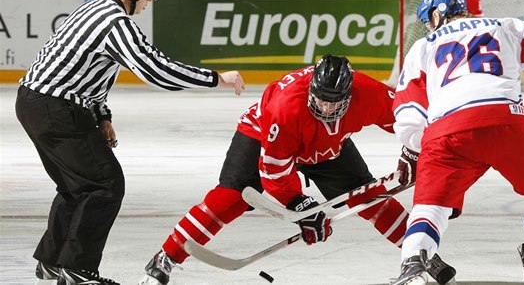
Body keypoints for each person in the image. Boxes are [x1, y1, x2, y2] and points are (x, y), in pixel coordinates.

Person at [16, 0, 245, 285]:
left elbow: (88, 72)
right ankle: (77, 270)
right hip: (55, 107)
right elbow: (155, 70)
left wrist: (101, 115)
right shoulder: (115, 22)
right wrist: (215, 78)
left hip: (37, 101)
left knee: (76, 186)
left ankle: (52, 261)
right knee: (104, 185)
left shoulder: (93, 7)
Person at [139, 55, 456, 285]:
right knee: (230, 197)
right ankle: (165, 258)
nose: (328, 108)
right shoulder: (286, 107)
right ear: (311, 88)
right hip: (264, 133)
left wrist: (425, 156)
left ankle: (419, 254)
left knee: (370, 199)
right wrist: (301, 206)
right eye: (322, 100)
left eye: (336, 102)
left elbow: (412, 121)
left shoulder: (368, 92)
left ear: (349, 93)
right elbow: (274, 172)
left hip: (329, 145)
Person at [390, 0, 524, 285]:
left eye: (429, 18)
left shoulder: (424, 45)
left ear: (438, 15)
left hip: (447, 134)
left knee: (431, 206)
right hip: (508, 123)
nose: (429, 25)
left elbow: (408, 114)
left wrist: (417, 149)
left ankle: (413, 264)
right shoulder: (505, 26)